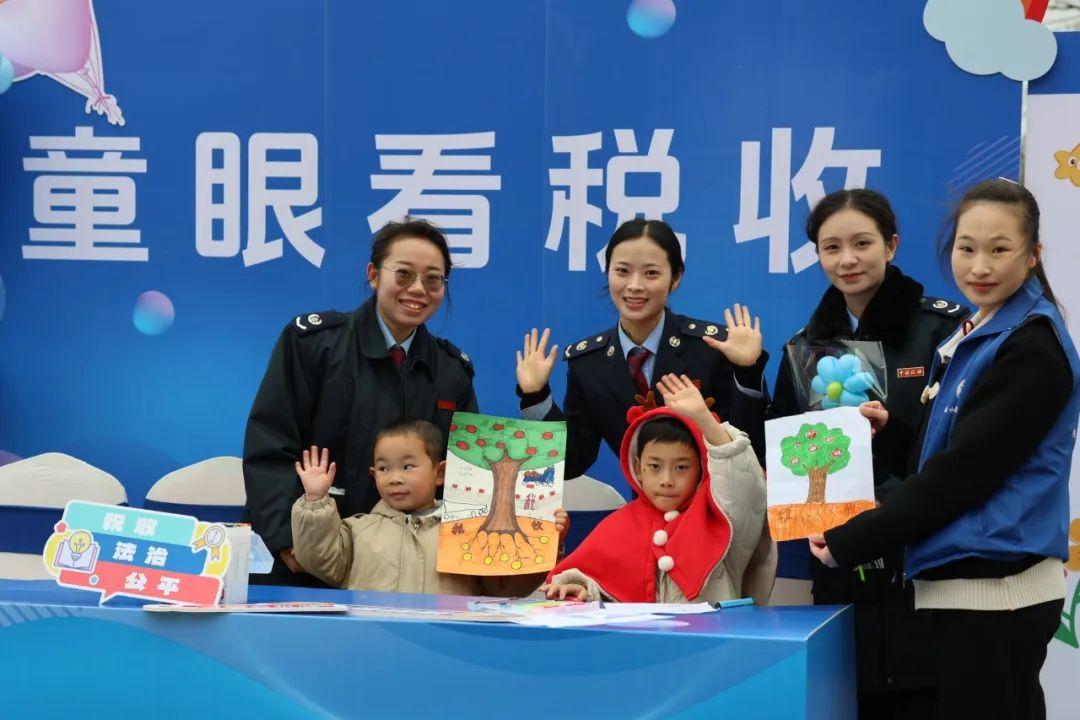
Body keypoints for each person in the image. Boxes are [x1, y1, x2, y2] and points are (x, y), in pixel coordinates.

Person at [810, 179, 1080, 720]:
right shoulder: (982, 330)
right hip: (968, 591)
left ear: (1032, 256)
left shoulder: (1030, 344)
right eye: (966, 248)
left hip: (998, 592)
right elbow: (953, 449)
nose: (979, 266)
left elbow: (963, 474)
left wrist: (852, 539)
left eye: (999, 250)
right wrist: (892, 432)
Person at [769, 188, 966, 717]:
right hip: (838, 557)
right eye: (831, 247)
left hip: (924, 554)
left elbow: (962, 445)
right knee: (844, 695)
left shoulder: (944, 329)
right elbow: (785, 445)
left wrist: (894, 447)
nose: (847, 260)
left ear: (891, 245)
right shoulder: (804, 346)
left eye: (862, 243)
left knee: (928, 695)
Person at [244, 218, 477, 586]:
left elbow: (465, 478)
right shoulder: (314, 345)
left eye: (433, 279)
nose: (418, 289)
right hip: (304, 563)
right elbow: (270, 446)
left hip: (405, 576)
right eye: (404, 274)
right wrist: (288, 540)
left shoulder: (452, 371)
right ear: (373, 275)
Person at [516, 219, 769, 485]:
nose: (634, 285)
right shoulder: (589, 364)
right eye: (622, 271)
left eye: (651, 273)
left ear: (675, 278)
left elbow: (753, 451)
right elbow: (572, 461)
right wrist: (536, 396)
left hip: (718, 501)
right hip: (646, 507)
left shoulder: (711, 348)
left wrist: (747, 371)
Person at [543, 374, 775, 604]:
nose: (667, 480)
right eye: (655, 466)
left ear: (701, 469)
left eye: (681, 467)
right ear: (638, 468)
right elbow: (602, 584)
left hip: (716, 630)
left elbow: (745, 486)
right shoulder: (620, 525)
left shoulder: (723, 516)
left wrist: (706, 422)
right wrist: (584, 588)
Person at [292, 419, 566, 595]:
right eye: (384, 468)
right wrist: (315, 501)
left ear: (440, 473)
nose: (395, 478)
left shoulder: (468, 531)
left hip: (448, 647)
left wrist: (546, 542)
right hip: (374, 643)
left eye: (407, 466)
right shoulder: (356, 530)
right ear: (373, 475)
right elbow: (317, 559)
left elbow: (505, 587)